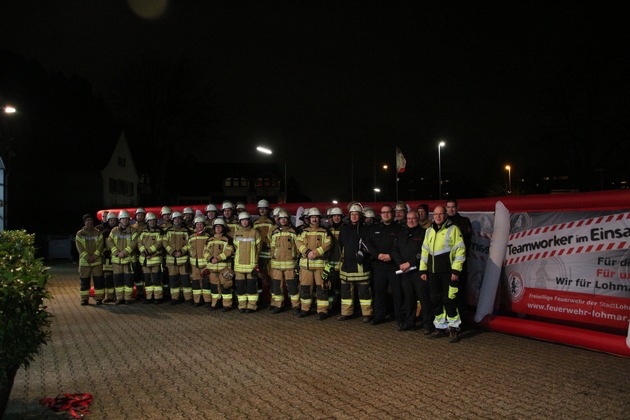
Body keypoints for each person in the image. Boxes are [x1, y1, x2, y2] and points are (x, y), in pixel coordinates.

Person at [420, 205, 466, 343]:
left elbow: (460, 251)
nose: (438, 216)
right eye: (435, 214)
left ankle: (453, 328)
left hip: (448, 273)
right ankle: (440, 327)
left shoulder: (453, 229)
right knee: (435, 300)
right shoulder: (428, 231)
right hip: (432, 272)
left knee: (449, 300)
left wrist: (456, 270)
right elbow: (424, 252)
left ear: (445, 215)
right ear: (432, 216)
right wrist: (423, 270)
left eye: (441, 214)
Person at [391, 210, 429, 332]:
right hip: (405, 272)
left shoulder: (424, 233)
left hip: (418, 271)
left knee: (423, 298)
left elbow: (424, 252)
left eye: (413, 218)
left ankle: (428, 325)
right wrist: (401, 264)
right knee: (409, 299)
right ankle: (409, 323)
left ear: (418, 219)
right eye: (409, 219)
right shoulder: (401, 233)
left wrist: (410, 263)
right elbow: (394, 250)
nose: (411, 221)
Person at [365, 204, 403, 326]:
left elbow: (402, 245)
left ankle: (399, 317)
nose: (386, 214)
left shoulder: (399, 228)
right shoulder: (374, 228)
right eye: (383, 212)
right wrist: (377, 255)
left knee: (397, 292)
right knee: (379, 292)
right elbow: (369, 244)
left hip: (394, 265)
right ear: (380, 214)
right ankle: (379, 316)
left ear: (392, 214)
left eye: (388, 212)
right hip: (379, 265)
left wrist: (391, 256)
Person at [337, 203, 372, 323]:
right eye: (352, 214)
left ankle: (367, 313)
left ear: (360, 216)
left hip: (361, 265)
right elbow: (341, 246)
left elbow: (369, 245)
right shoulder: (344, 229)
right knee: (346, 292)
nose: (354, 217)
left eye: (357, 214)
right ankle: (346, 313)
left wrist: (364, 253)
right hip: (347, 265)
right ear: (349, 215)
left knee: (364, 293)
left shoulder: (365, 229)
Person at [295, 207, 332, 320]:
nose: (314, 219)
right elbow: (298, 242)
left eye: (316, 217)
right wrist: (307, 252)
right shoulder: (303, 231)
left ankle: (322, 311)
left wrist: (315, 253)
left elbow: (328, 244)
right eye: (312, 217)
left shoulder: (325, 231)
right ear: (309, 218)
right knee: (305, 288)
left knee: (321, 289)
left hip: (319, 265)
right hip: (306, 266)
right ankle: (305, 309)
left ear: (319, 219)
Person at [446, 198, 473, 327]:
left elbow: (464, 244)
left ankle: (462, 323)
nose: (451, 209)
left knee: (460, 294)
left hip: (460, 264)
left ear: (457, 208)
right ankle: (449, 322)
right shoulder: (443, 222)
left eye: (453, 207)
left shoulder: (464, 222)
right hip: (445, 265)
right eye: (448, 207)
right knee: (447, 295)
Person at [269, 209, 299, 313]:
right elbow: (272, 248)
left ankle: (295, 306)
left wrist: (297, 261)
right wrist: (273, 258)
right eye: (281, 219)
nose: (283, 220)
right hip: (276, 265)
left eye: (285, 218)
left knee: (292, 287)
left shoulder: (294, 232)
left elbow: (298, 248)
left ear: (288, 219)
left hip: (290, 265)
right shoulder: (275, 233)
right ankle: (278, 305)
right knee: (277, 287)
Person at [107, 210, 138, 305]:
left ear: (129, 220)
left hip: (128, 260)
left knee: (128, 280)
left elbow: (134, 243)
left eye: (126, 219)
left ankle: (128, 298)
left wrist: (124, 253)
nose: (124, 220)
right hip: (117, 260)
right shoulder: (114, 230)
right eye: (123, 219)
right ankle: (120, 298)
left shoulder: (133, 231)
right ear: (119, 220)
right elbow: (110, 242)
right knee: (118, 280)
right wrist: (116, 252)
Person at [233, 211, 262, 313]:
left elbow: (258, 249)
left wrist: (256, 263)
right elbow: (235, 248)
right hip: (239, 266)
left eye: (246, 220)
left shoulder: (255, 232)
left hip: (251, 265)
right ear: (240, 222)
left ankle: (251, 306)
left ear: (249, 221)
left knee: (251, 286)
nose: (244, 222)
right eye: (242, 221)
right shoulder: (236, 233)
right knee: (240, 286)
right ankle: (242, 306)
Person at [204, 218, 234, 310]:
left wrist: (218, 258)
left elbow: (229, 251)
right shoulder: (209, 240)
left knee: (226, 286)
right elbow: (205, 251)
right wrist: (210, 258)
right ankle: (216, 304)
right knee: (214, 287)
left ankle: (227, 305)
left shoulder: (227, 239)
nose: (218, 228)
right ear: (214, 228)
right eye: (216, 227)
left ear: (223, 228)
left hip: (224, 268)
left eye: (220, 227)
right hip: (212, 268)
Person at [75, 214, 104, 305]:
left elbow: (100, 246)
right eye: (87, 220)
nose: (89, 222)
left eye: (91, 220)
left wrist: (94, 256)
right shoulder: (80, 234)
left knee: (98, 281)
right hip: (85, 262)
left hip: (96, 262)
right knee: (84, 282)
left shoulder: (98, 232)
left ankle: (99, 299)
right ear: (84, 222)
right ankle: (84, 299)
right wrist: (88, 257)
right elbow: (79, 248)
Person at [163, 211, 191, 304]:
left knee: (185, 280)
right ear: (173, 220)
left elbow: (189, 244)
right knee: (173, 280)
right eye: (175, 219)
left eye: (179, 218)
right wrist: (172, 252)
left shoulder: (186, 231)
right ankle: (175, 298)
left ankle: (188, 298)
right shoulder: (168, 231)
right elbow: (165, 242)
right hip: (171, 261)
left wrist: (181, 252)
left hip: (183, 260)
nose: (177, 220)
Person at [138, 212, 164, 304]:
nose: (152, 222)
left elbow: (159, 243)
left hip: (155, 259)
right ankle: (149, 297)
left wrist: (149, 251)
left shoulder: (160, 231)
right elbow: (139, 242)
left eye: (153, 221)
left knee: (156, 280)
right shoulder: (143, 231)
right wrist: (144, 252)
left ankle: (158, 298)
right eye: (150, 221)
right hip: (145, 260)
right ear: (147, 222)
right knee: (147, 280)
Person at [253, 199, 274, 307]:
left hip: (269, 253)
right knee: (261, 277)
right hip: (260, 254)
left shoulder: (272, 222)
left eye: (264, 208)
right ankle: (261, 299)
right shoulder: (255, 223)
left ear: (268, 210)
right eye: (260, 209)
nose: (262, 210)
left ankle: (271, 300)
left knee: (271, 277)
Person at [188, 215, 211, 306]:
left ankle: (207, 301)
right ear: (195, 225)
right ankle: (197, 301)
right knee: (196, 283)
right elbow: (189, 247)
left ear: (204, 225)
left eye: (201, 224)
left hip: (205, 264)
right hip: (194, 264)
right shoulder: (191, 237)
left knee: (206, 282)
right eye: (197, 224)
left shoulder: (208, 236)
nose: (199, 226)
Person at [325, 206, 344, 313]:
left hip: (342, 263)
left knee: (342, 288)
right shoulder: (327, 230)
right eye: (334, 216)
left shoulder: (345, 228)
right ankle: (331, 306)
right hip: (331, 264)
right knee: (331, 287)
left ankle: (341, 307)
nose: (336, 218)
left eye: (338, 216)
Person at [101, 211, 118, 302]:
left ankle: (117, 296)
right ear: (108, 221)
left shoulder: (119, 231)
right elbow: (100, 244)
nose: (112, 222)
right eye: (111, 220)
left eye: (114, 220)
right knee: (108, 277)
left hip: (117, 256)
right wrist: (104, 251)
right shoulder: (105, 232)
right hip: (107, 258)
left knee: (117, 276)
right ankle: (109, 296)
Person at [132, 207, 147, 301]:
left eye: (142, 215)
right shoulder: (132, 227)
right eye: (138, 215)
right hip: (134, 253)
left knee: (144, 274)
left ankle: (145, 293)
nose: (140, 216)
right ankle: (139, 292)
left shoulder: (147, 227)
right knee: (136, 274)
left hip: (144, 253)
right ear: (136, 216)